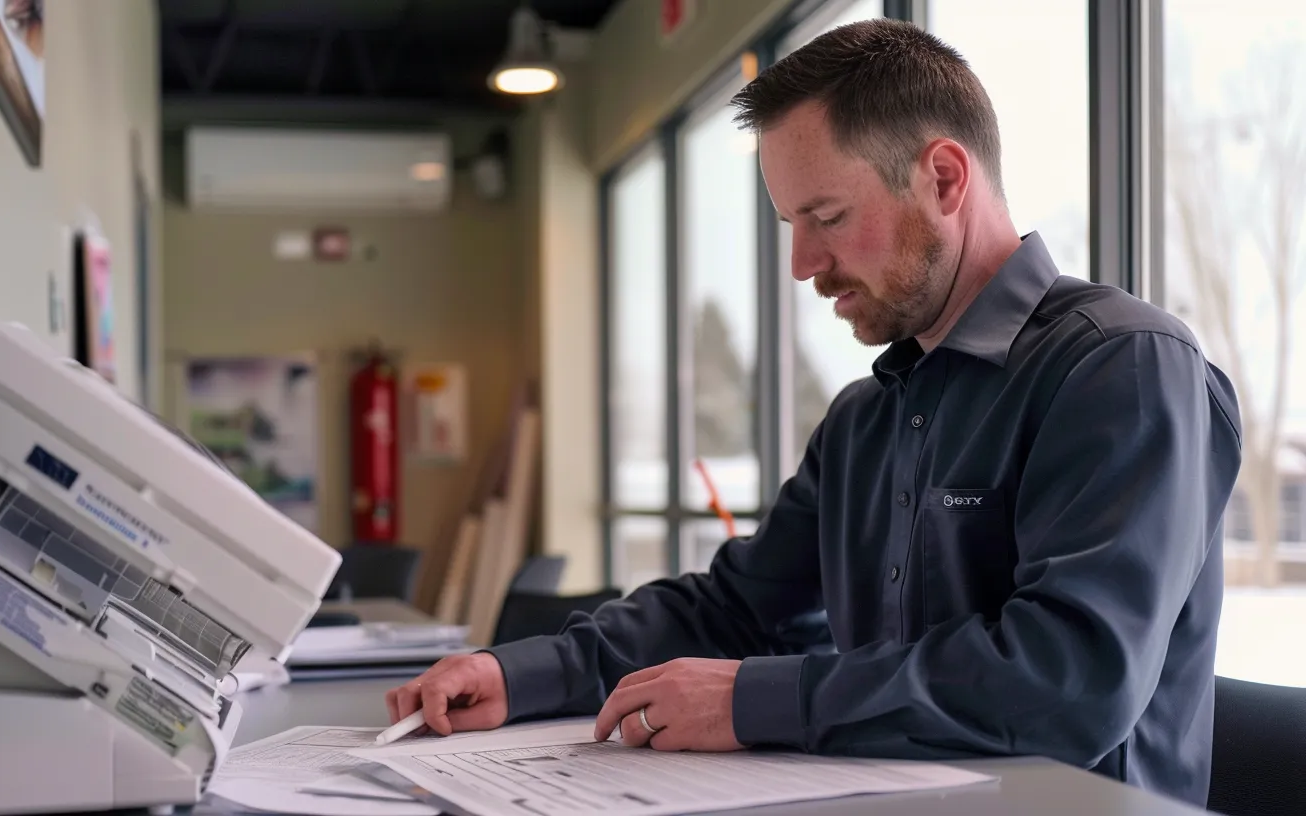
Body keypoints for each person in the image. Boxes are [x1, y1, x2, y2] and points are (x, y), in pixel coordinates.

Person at [385, 18, 1242, 808]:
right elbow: (732, 610)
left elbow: (1068, 681)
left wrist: (752, 699)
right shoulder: (866, 420)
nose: (802, 265)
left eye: (827, 217)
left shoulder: (1119, 368)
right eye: (791, 224)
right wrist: (518, 674)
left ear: (944, 178)